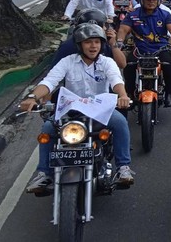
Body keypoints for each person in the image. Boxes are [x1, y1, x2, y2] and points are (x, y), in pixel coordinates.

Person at [22, 24, 134, 193]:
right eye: (88, 42)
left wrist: (123, 96)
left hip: (100, 110)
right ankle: (44, 173)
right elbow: (49, 81)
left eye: (97, 42)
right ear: (79, 45)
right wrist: (32, 97)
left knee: (120, 123)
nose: (93, 46)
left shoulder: (107, 62)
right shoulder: (67, 62)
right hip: (70, 109)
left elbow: (116, 80)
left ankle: (123, 167)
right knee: (47, 128)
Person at [117, 0, 171, 107]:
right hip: (139, 50)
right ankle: (130, 92)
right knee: (129, 66)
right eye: (147, 0)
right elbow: (123, 29)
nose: (151, 2)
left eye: (153, 0)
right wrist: (120, 41)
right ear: (142, 0)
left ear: (158, 1)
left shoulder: (165, 14)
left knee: (168, 66)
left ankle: (169, 92)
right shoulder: (133, 15)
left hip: (160, 49)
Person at [53, 9, 126, 69]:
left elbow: (122, 65)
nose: (106, 28)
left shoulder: (105, 42)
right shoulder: (68, 47)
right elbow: (55, 72)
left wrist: (113, 45)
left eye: (96, 42)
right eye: (104, 25)